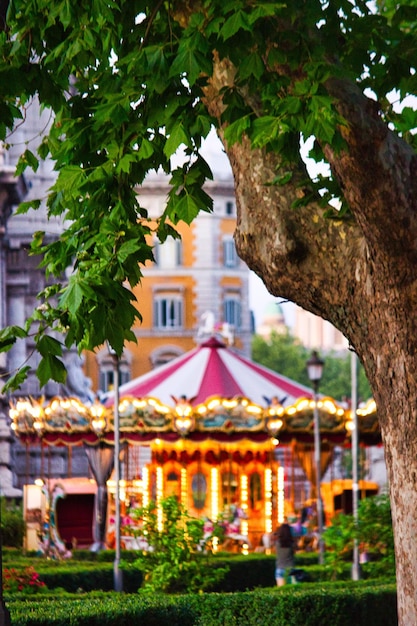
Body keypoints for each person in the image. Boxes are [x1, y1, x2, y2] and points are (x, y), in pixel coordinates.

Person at [274, 521, 295, 586]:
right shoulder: (292, 544)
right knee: (291, 591)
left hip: (279, 568)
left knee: (281, 592)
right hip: (290, 568)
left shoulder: (277, 543)